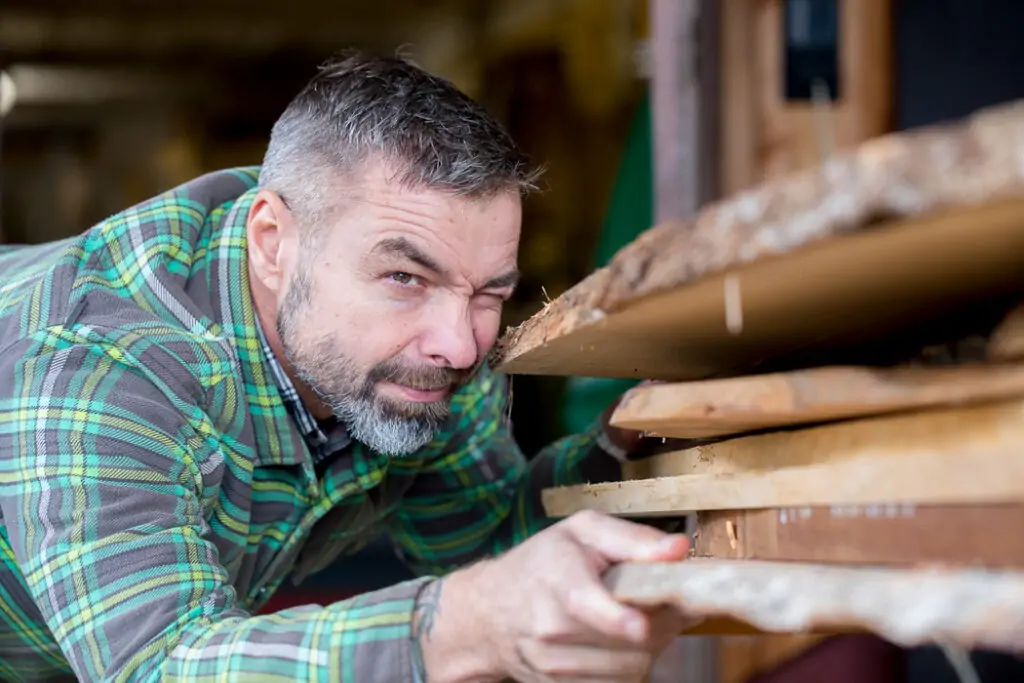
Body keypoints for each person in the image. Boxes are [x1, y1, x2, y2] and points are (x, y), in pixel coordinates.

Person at [0, 52, 692, 682]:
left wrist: (629, 458)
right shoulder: (102, 365)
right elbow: (157, 665)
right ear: (272, 243)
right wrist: (455, 627)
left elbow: (483, 539)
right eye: (404, 277)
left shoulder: (420, 349)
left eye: (489, 293)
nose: (459, 346)